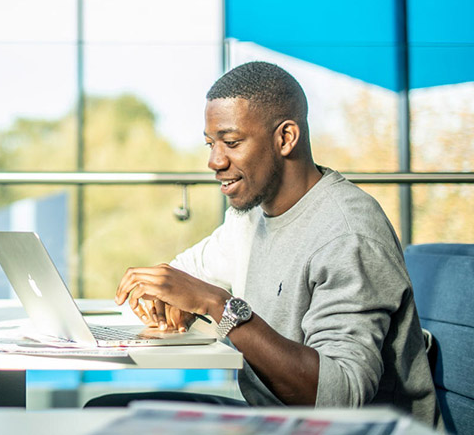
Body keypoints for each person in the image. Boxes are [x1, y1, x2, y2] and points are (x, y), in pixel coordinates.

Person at [86, 61, 438, 427]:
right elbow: (185, 278)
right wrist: (163, 296)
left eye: (232, 142)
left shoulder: (348, 235)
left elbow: (340, 396)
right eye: (210, 144)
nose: (214, 161)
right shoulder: (250, 217)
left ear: (286, 137)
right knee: (108, 411)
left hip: (350, 430)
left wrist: (218, 305)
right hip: (273, 417)